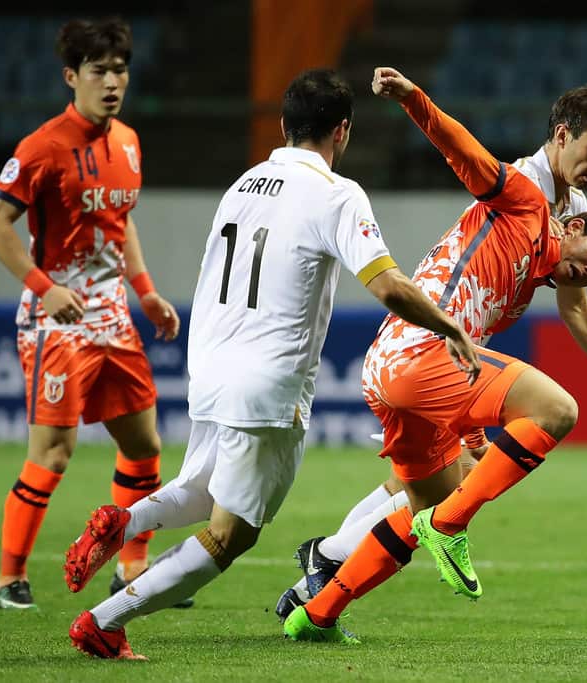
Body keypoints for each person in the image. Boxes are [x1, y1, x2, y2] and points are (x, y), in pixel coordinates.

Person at [60, 67, 482, 659]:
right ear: (343, 131)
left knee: (204, 490)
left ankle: (122, 524)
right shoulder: (337, 194)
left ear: (283, 126)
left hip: (210, 367)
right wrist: (448, 325)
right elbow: (387, 286)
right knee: (231, 534)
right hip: (268, 382)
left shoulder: (244, 183)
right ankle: (107, 621)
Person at [282, 66, 587, 643]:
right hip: (426, 349)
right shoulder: (527, 188)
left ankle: (318, 594)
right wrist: (413, 99)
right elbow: (466, 155)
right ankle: (437, 529)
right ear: (562, 135)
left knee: (434, 494)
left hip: (414, 358)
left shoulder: (569, 208)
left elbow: (575, 304)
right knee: (550, 416)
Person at [0, 17, 183, 611]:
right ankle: (8, 581)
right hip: (57, 323)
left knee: (144, 445)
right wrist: (44, 289)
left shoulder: (127, 141)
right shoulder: (41, 147)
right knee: (54, 453)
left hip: (113, 317)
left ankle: (133, 568)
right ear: (72, 76)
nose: (112, 82)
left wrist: (145, 292)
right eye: (99, 71)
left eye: (120, 69)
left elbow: (122, 226)